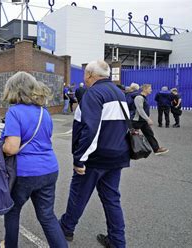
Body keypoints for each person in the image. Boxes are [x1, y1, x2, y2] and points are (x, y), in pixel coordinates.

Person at [59, 61, 129, 248]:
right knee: (112, 199)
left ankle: (66, 228)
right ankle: (117, 240)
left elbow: (91, 130)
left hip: (95, 157)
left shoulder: (94, 94)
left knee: (78, 195)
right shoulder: (119, 93)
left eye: (85, 74)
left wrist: (80, 159)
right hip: (117, 155)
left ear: (90, 74)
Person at [0, 71, 68, 248]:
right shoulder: (45, 112)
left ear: (13, 90)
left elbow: (12, 147)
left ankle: (9, 245)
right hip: (49, 169)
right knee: (47, 215)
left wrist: (0, 147)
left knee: (12, 211)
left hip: (24, 173)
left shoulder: (14, 112)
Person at [132, 84, 169, 155]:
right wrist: (148, 119)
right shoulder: (139, 98)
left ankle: (156, 149)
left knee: (149, 134)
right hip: (137, 121)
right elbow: (140, 110)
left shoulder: (144, 97)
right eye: (150, 89)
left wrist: (146, 119)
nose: (151, 90)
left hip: (142, 121)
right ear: (145, 89)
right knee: (130, 135)